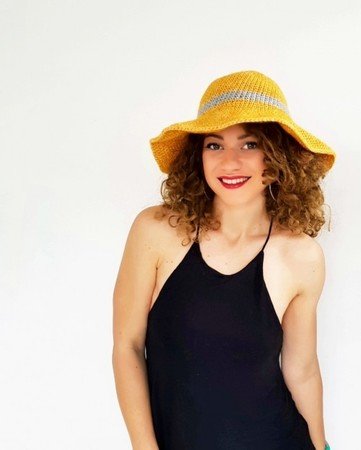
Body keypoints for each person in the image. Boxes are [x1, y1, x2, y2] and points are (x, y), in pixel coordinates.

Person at [112, 70, 335, 450]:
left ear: (277, 156)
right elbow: (127, 346)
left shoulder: (301, 255)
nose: (229, 162)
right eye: (214, 145)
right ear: (197, 156)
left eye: (249, 144)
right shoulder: (156, 231)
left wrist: (322, 446)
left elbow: (301, 369)